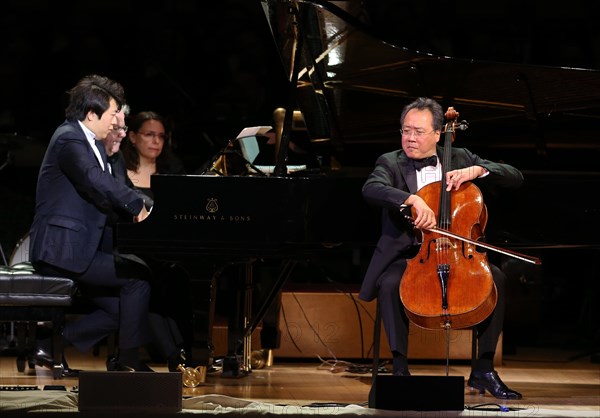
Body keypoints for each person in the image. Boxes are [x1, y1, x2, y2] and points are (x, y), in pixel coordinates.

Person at [359, 97, 523, 400]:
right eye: (405, 130)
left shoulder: (460, 157)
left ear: (438, 134)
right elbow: (371, 188)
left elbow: (515, 176)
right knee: (391, 282)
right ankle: (399, 368)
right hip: (410, 254)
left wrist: (477, 170)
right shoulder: (390, 161)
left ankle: (483, 369)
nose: (410, 138)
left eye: (419, 132)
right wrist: (410, 198)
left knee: (496, 280)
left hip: (458, 252)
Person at [28, 74, 154, 372]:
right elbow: (94, 180)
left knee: (125, 309)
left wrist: (150, 205)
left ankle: (50, 345)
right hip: (61, 249)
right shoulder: (69, 138)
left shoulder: (92, 143)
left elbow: (107, 187)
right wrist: (136, 205)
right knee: (138, 278)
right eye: (112, 114)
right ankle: (128, 363)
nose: (115, 122)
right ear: (91, 114)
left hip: (78, 248)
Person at [121, 110, 192, 369]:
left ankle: (180, 352)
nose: (156, 142)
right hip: (129, 248)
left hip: (164, 249)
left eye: (161, 136)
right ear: (132, 136)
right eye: (149, 135)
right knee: (146, 278)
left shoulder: (172, 170)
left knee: (175, 279)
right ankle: (176, 355)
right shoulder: (119, 170)